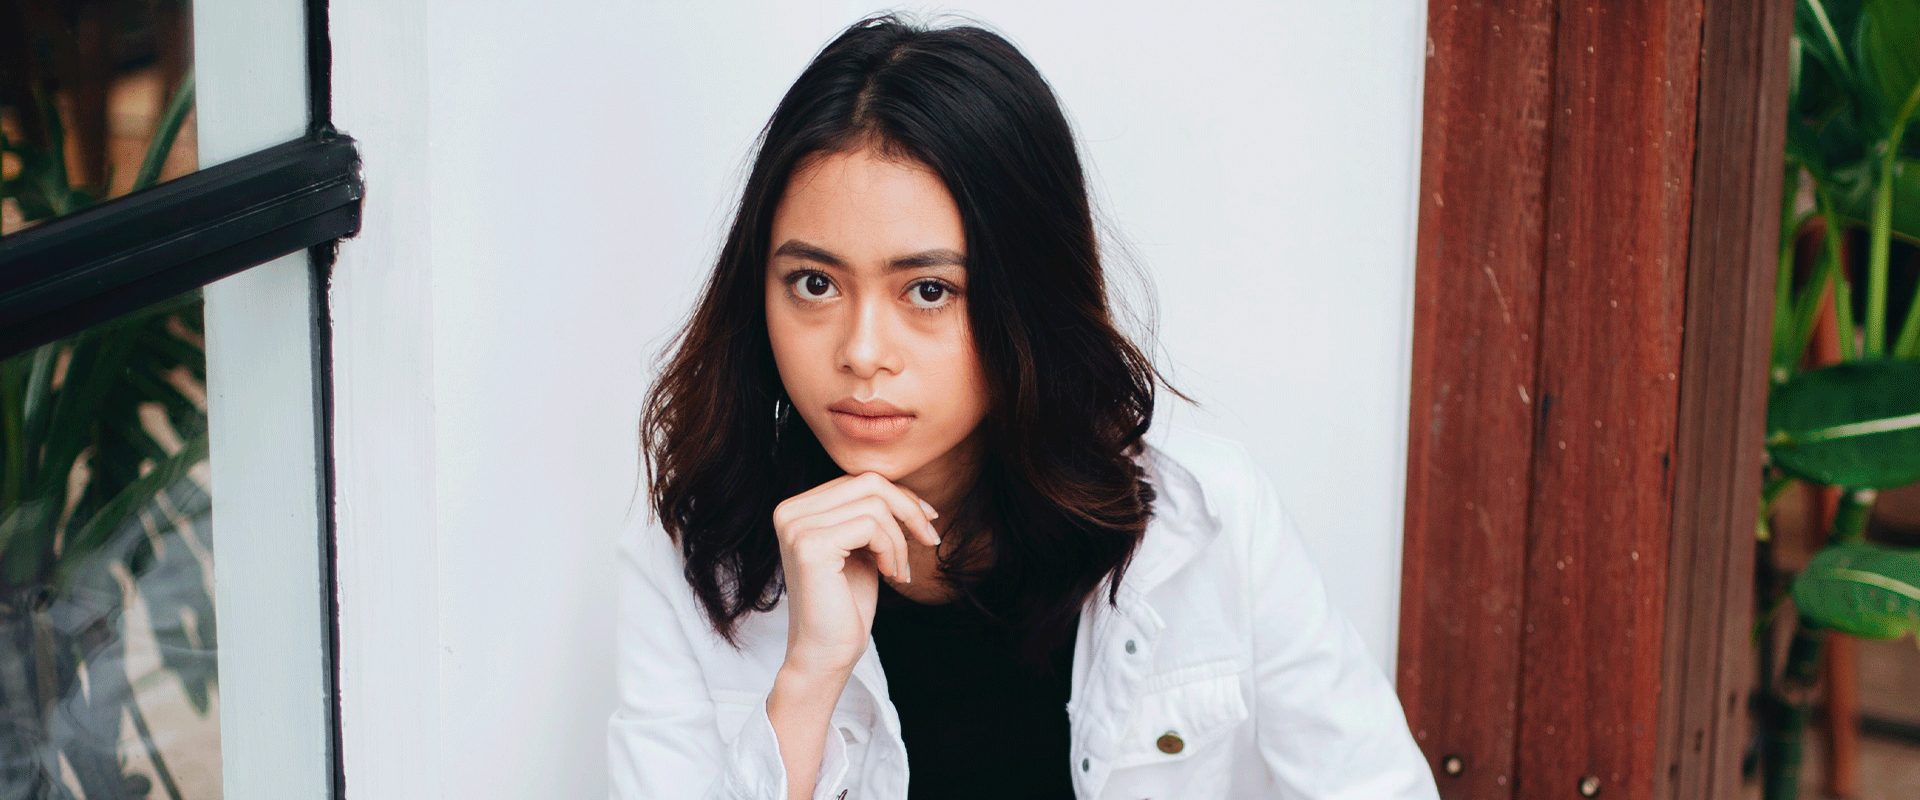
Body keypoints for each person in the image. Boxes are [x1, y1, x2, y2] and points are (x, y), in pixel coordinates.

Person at [608, 12, 1440, 800]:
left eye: (929, 290)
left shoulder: (1205, 525)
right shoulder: (688, 558)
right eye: (815, 283)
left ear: (1028, 297)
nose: (860, 352)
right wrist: (807, 683)